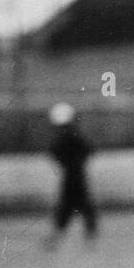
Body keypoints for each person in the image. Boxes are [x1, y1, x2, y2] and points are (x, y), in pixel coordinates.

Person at [46, 102, 98, 245]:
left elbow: (54, 152)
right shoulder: (75, 136)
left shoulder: (64, 138)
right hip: (77, 174)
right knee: (83, 205)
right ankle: (90, 235)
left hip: (71, 175)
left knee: (68, 205)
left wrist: (66, 163)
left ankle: (58, 236)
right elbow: (89, 150)